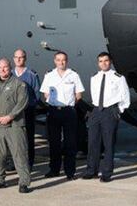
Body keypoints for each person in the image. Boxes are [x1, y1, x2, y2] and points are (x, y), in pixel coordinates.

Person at [0, 58, 31, 194]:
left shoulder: (19, 84)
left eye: (5, 67)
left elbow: (22, 102)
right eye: (0, 68)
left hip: (14, 125)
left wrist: (10, 116)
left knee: (19, 154)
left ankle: (24, 182)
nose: (2, 70)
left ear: (10, 68)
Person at [83, 52, 130, 183]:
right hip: (96, 111)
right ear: (98, 63)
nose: (103, 63)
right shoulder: (94, 77)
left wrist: (117, 111)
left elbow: (125, 97)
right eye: (101, 61)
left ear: (110, 62)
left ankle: (107, 173)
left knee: (108, 143)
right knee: (93, 142)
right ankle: (91, 170)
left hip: (110, 111)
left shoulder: (119, 78)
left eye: (106, 61)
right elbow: (94, 95)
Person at [40, 51, 84, 180]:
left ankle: (70, 171)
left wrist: (69, 105)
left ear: (67, 61)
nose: (61, 62)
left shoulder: (73, 75)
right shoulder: (49, 75)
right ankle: (54, 169)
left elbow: (79, 94)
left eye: (63, 60)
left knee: (70, 143)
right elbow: (45, 94)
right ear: (55, 61)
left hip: (68, 111)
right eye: (58, 60)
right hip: (54, 111)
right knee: (54, 142)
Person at [12, 49, 41, 169]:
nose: (19, 59)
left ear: (25, 58)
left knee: (28, 138)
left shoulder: (31, 75)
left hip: (27, 111)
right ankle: (15, 163)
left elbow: (37, 95)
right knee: (14, 139)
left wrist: (28, 106)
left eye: (21, 57)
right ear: (13, 59)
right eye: (16, 57)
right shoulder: (10, 74)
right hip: (13, 112)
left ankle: (29, 162)